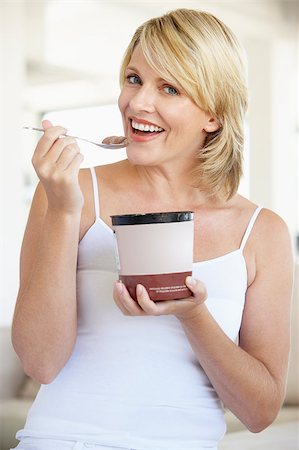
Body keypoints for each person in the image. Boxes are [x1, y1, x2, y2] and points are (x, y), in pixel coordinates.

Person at [11, 8, 293, 450]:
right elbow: (40, 362)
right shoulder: (69, 192)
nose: (138, 103)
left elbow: (259, 414)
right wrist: (65, 213)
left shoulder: (260, 232)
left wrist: (192, 313)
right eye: (134, 78)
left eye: (170, 88)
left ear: (214, 116)